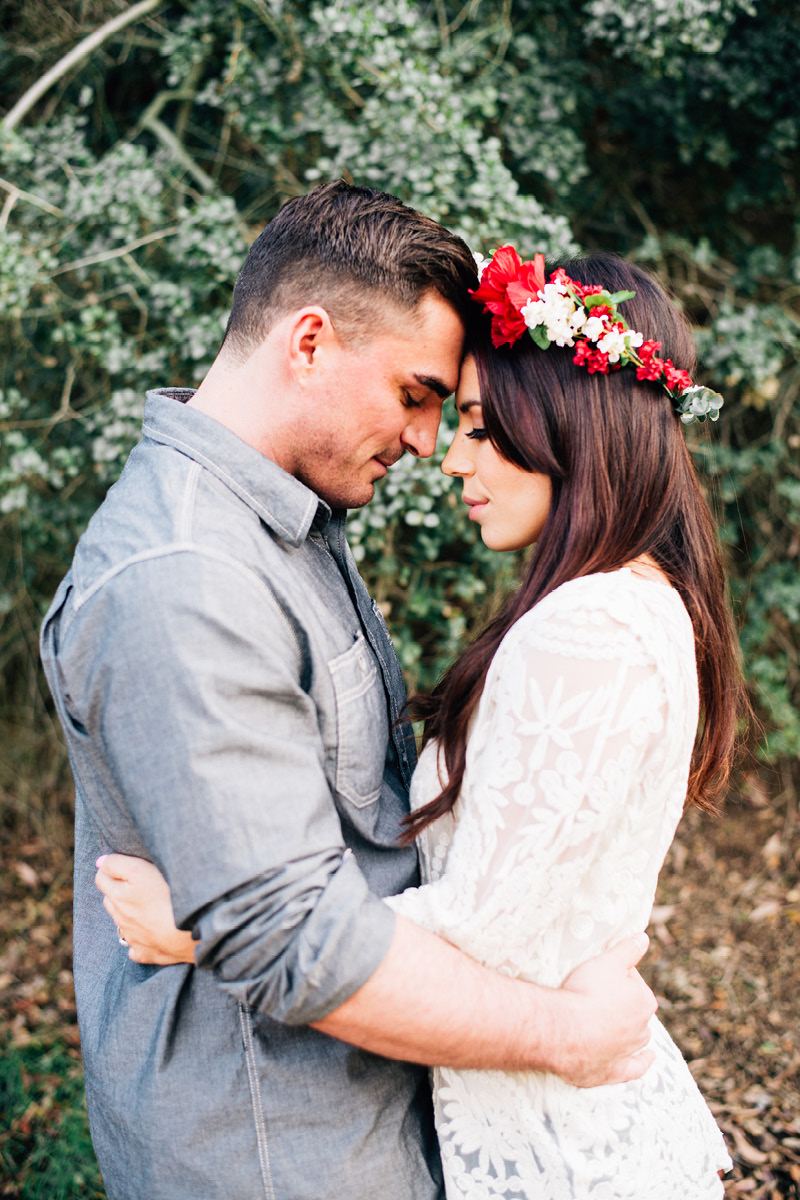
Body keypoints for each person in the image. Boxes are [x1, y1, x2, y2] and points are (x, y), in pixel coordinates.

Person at [41, 185, 656, 1200]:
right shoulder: (183, 575)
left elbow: (356, 844)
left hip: (364, 1122)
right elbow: (295, 944)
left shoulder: (285, 518)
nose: (426, 441)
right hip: (275, 1151)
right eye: (416, 392)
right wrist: (566, 1035)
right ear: (310, 341)